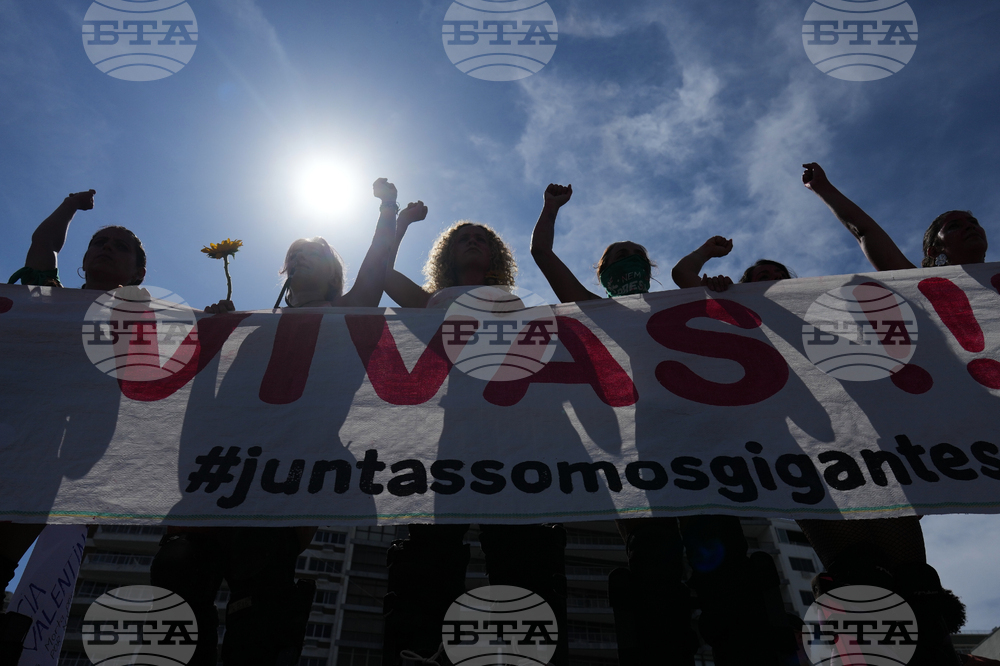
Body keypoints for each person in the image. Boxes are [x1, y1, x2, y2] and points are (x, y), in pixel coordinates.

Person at [150, 179, 426, 666]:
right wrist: (215, 337)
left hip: (291, 468)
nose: (300, 258)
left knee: (260, 596)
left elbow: (375, 274)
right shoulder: (255, 324)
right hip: (225, 467)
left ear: (333, 272)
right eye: (294, 253)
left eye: (313, 253)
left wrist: (390, 214)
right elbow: (215, 398)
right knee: (179, 575)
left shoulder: (346, 313)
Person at [532, 185, 800, 666]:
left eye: (636, 254)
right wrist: (551, 208)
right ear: (602, 273)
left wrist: (714, 274)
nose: (628, 259)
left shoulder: (678, 306)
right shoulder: (596, 309)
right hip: (639, 451)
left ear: (650, 269)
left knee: (723, 567)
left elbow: (691, 280)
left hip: (701, 444)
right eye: (619, 256)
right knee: (652, 569)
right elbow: (542, 254)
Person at [802, 161, 974, 665]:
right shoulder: (919, 287)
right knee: (871, 570)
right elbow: (866, 232)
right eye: (954, 224)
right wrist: (825, 188)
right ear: (935, 248)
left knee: (913, 581)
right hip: (913, 437)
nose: (970, 226)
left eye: (972, 220)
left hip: (966, 428)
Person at [382, 217, 568, 666]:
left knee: (517, 548)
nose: (471, 242)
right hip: (452, 433)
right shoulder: (433, 302)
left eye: (480, 239)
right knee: (434, 547)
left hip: (513, 433)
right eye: (463, 238)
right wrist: (397, 219)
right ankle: (425, 647)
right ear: (448, 254)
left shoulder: (515, 302)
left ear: (493, 256)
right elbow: (383, 275)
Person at [2, 189, 147, 664]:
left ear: (137, 273)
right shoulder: (46, 299)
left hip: (48, 469)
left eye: (119, 246)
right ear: (83, 259)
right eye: (99, 242)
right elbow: (43, 246)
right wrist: (68, 206)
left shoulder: (143, 327)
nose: (105, 247)